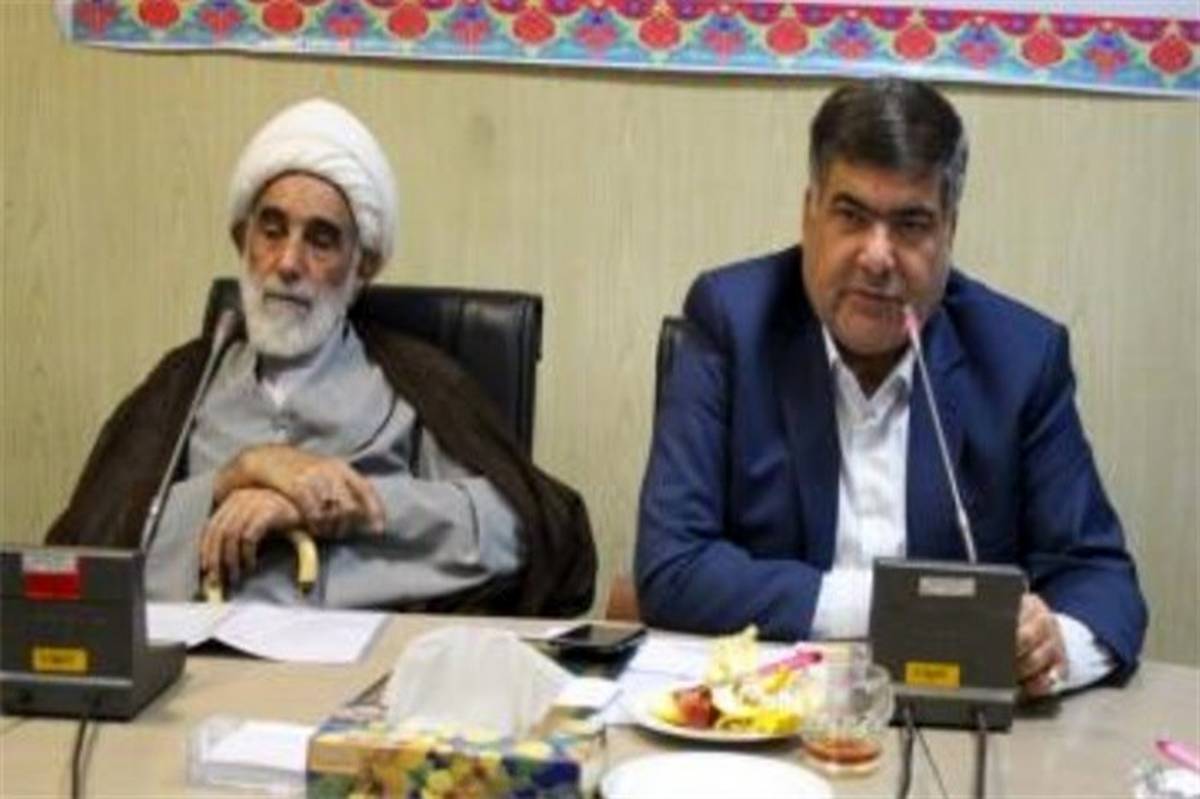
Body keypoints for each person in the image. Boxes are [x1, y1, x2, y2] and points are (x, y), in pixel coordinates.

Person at [636, 78, 1146, 697]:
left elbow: (1103, 583)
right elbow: (673, 570)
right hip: (770, 713)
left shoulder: (1020, 357)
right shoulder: (733, 321)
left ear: (949, 231)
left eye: (910, 224)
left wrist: (1053, 645)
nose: (877, 257)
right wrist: (895, 607)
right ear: (809, 214)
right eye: (851, 216)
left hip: (957, 724)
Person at [46, 98, 595, 616]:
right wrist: (232, 478)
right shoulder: (186, 383)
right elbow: (89, 556)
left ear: (362, 267)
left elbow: (527, 531)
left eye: (322, 240)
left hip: (365, 670)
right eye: (272, 231)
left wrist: (339, 505)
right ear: (242, 241)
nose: (288, 263)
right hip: (195, 667)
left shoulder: (413, 386)